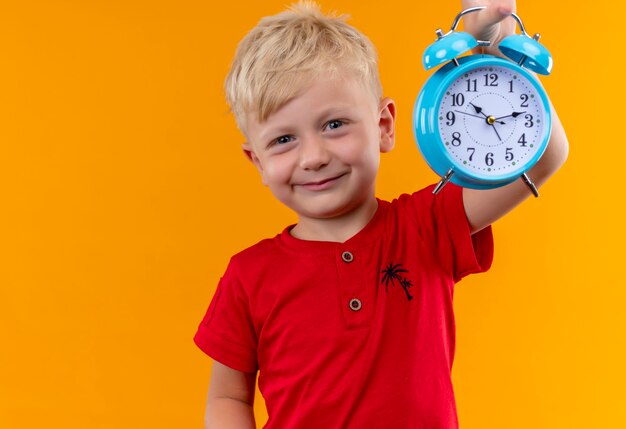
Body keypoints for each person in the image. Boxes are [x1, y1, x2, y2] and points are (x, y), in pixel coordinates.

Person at [193, 0, 568, 427]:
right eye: (283, 140)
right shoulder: (248, 275)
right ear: (257, 162)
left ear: (384, 126)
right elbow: (227, 396)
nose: (313, 157)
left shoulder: (428, 224)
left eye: (334, 124)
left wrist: (492, 42)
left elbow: (545, 154)